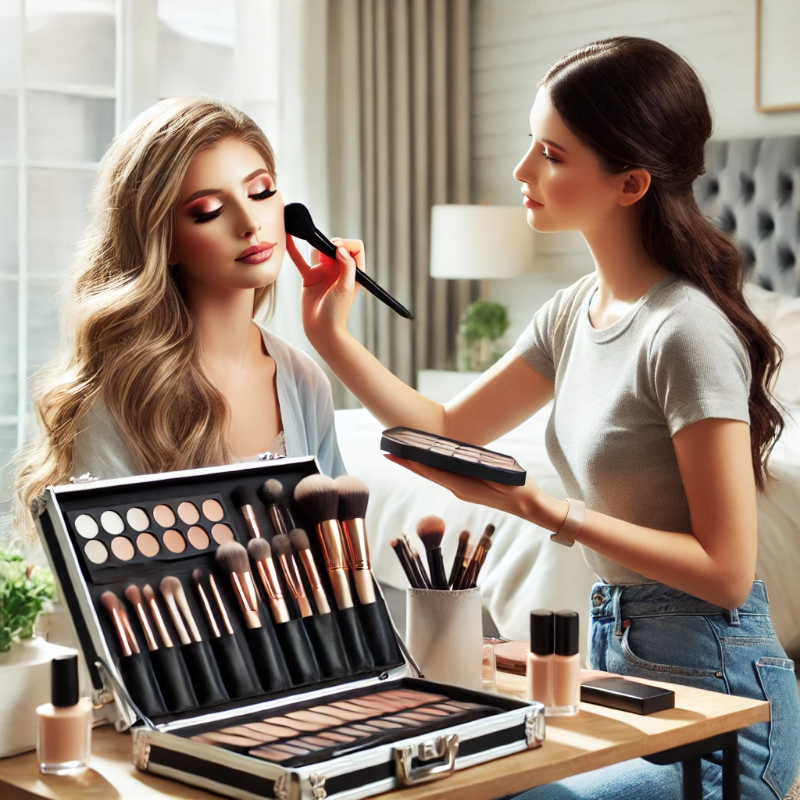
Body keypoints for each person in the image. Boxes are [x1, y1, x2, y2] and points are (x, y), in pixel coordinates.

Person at [288, 37, 800, 799]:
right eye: (532, 142)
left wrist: (548, 511)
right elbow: (449, 430)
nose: (523, 170)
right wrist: (328, 331)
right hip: (624, 675)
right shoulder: (572, 312)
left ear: (629, 183)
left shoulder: (685, 332)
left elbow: (727, 572)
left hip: (723, 708)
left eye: (552, 155)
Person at [15, 97, 345, 536]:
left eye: (261, 191)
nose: (250, 223)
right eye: (208, 210)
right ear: (163, 241)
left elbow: (338, 536)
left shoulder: (303, 381)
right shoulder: (117, 393)